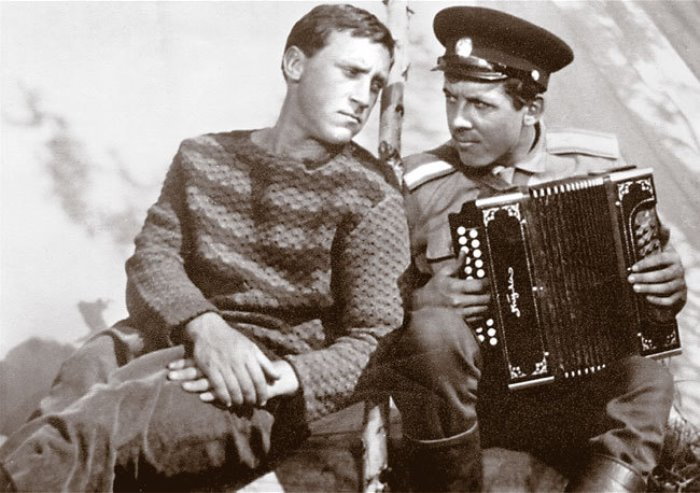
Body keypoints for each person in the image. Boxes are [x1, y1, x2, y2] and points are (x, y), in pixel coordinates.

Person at [0, 4, 411, 491]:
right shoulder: (204, 156)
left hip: (254, 386)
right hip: (177, 338)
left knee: (89, 432)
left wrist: (285, 375)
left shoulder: (371, 195)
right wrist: (206, 328)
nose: (363, 98)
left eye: (376, 84)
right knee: (81, 376)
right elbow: (152, 259)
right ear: (295, 65)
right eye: (351, 72)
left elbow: (378, 338)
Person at [391, 6, 687, 492]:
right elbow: (369, 312)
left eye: (480, 105)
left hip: (579, 403)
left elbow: (652, 294)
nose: (458, 121)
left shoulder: (600, 172)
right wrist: (421, 301)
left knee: (649, 376)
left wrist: (668, 285)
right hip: (475, 408)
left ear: (531, 109)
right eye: (451, 99)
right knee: (433, 331)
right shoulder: (419, 187)